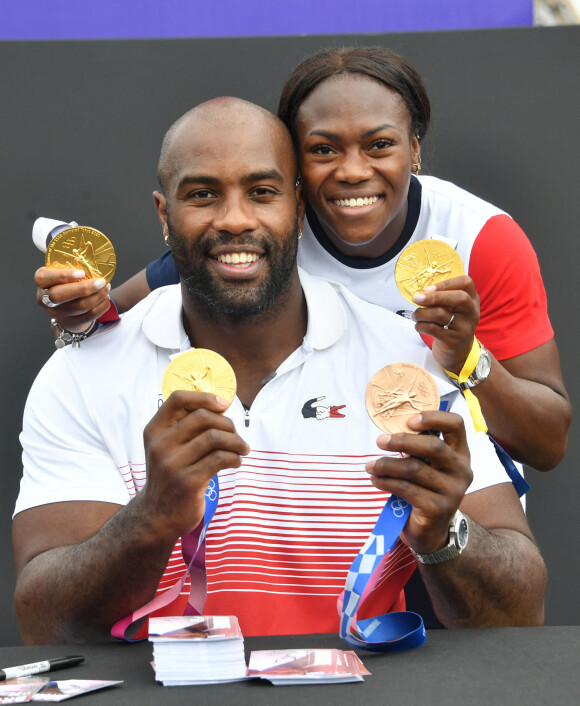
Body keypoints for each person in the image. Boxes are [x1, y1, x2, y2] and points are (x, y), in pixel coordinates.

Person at [15, 98, 546, 644]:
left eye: (262, 192)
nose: (235, 219)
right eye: (202, 195)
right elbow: (44, 622)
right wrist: (152, 517)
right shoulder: (82, 374)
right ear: (163, 215)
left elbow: (522, 614)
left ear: (297, 206)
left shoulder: (409, 360)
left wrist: (442, 533)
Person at [34, 47, 571, 472]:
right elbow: (108, 319)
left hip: (453, 506)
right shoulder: (264, 233)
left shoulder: (481, 238)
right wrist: (77, 312)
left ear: (416, 147)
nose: (353, 171)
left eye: (380, 145)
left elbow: (547, 445)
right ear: (293, 168)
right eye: (324, 149)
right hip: (325, 512)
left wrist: (468, 358)